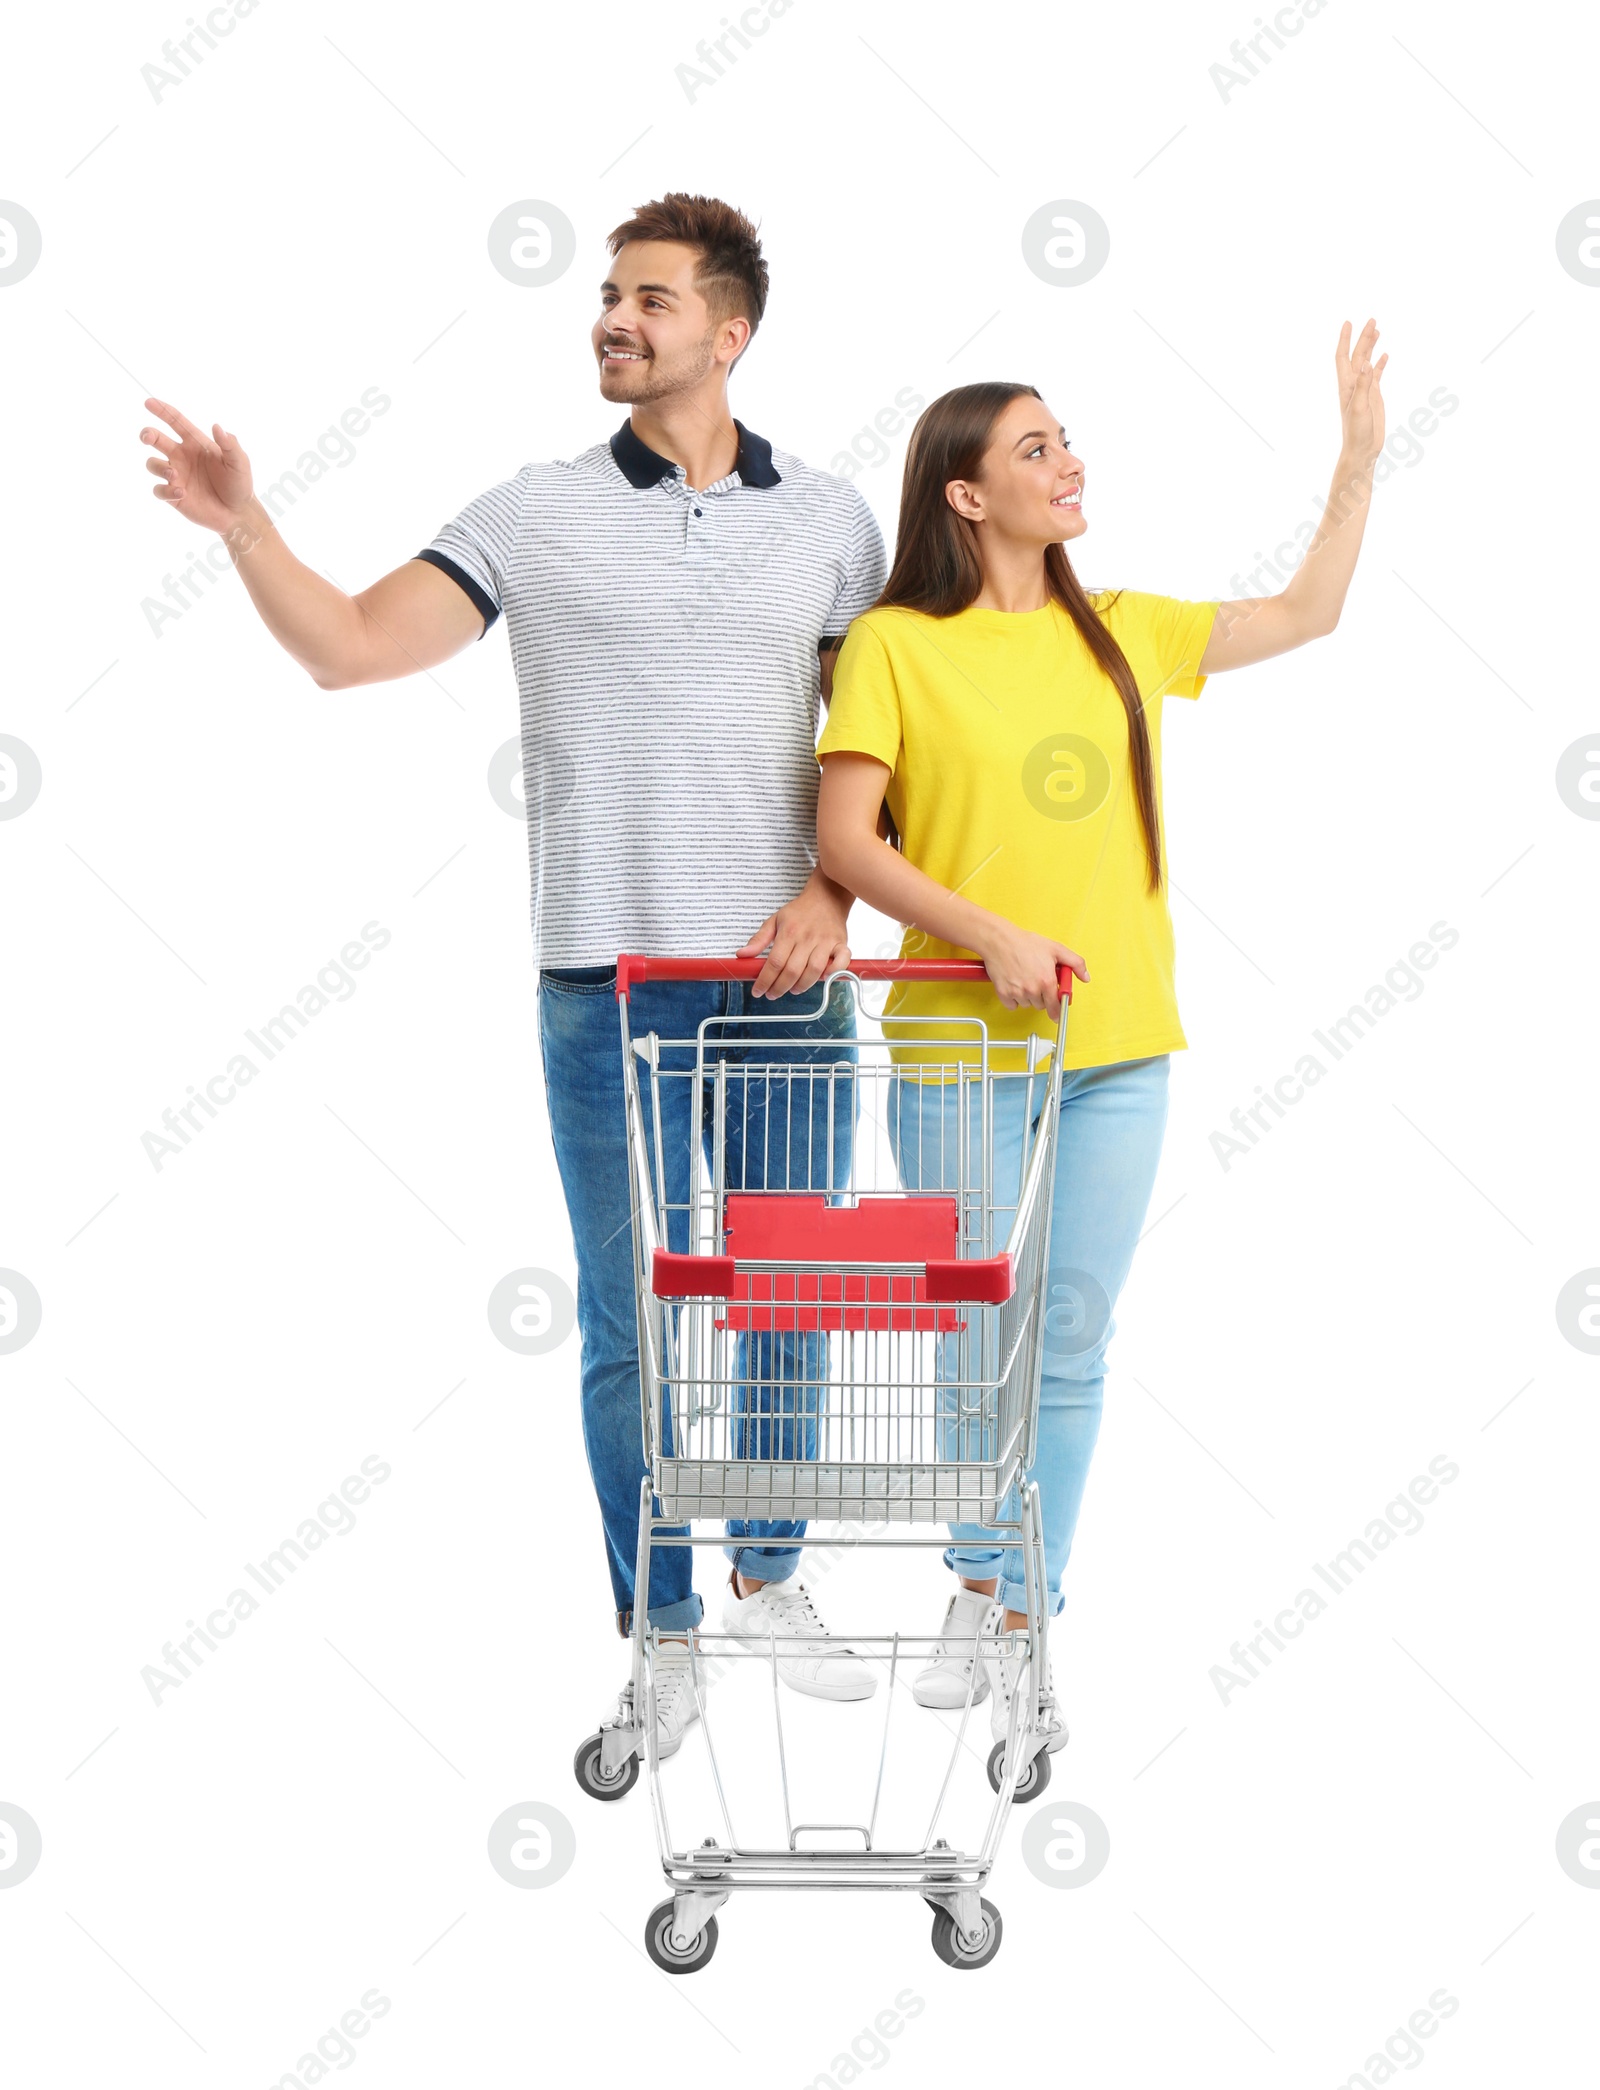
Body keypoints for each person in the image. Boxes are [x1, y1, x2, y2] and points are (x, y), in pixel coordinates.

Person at [137, 193, 891, 1755]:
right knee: (628, 1320)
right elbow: (349, 645)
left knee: (781, 1294)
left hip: (785, 983)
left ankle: (765, 1578)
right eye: (609, 295)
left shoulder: (829, 524)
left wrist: (829, 885)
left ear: (729, 332)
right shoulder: (534, 512)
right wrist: (247, 529)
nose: (615, 318)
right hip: (601, 984)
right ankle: (661, 1631)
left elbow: (882, 752)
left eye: (651, 299)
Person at [814, 325, 1388, 1749]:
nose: (1070, 462)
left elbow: (1306, 615)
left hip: (1121, 1043)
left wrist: (1359, 461)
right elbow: (842, 838)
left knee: (1065, 1339)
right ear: (965, 493)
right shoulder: (896, 644)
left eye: (1065, 441)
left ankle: (1021, 1614)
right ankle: (968, 1577)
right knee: (972, 1335)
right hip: (961, 1048)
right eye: (1036, 447)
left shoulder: (1120, 627)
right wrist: (984, 934)